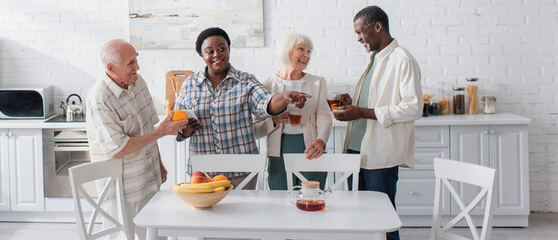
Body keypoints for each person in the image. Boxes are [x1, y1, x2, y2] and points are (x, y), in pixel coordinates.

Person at [174, 27, 311, 189]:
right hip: (203, 173)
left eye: (221, 49)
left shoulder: (245, 81)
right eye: (209, 51)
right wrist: (187, 130)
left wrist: (283, 97)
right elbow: (177, 125)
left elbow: (266, 102)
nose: (217, 54)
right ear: (201, 55)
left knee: (245, 214)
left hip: (242, 171)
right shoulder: (190, 84)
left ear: (229, 50)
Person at [85, 39, 188, 240]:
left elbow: (148, 126)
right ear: (111, 67)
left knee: (154, 236)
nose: (137, 67)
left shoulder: (138, 82)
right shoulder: (100, 98)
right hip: (122, 190)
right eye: (130, 63)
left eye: (136, 60)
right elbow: (118, 149)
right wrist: (162, 131)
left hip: (148, 179)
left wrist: (159, 163)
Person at [334, 6, 422, 240]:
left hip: (379, 156)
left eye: (360, 32)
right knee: (360, 221)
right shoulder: (375, 59)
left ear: (378, 27)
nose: (358, 38)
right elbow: (376, 100)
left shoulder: (403, 60)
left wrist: (361, 111)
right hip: (356, 152)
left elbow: (413, 108)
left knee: (383, 222)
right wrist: (353, 103)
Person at [254, 33, 333, 190]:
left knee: (312, 200)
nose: (306, 55)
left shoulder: (317, 82)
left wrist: (321, 141)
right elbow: (255, 129)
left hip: (311, 147)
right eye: (301, 49)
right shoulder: (266, 85)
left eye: (309, 51)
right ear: (287, 50)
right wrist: (274, 120)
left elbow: (324, 116)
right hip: (279, 150)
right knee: (281, 202)